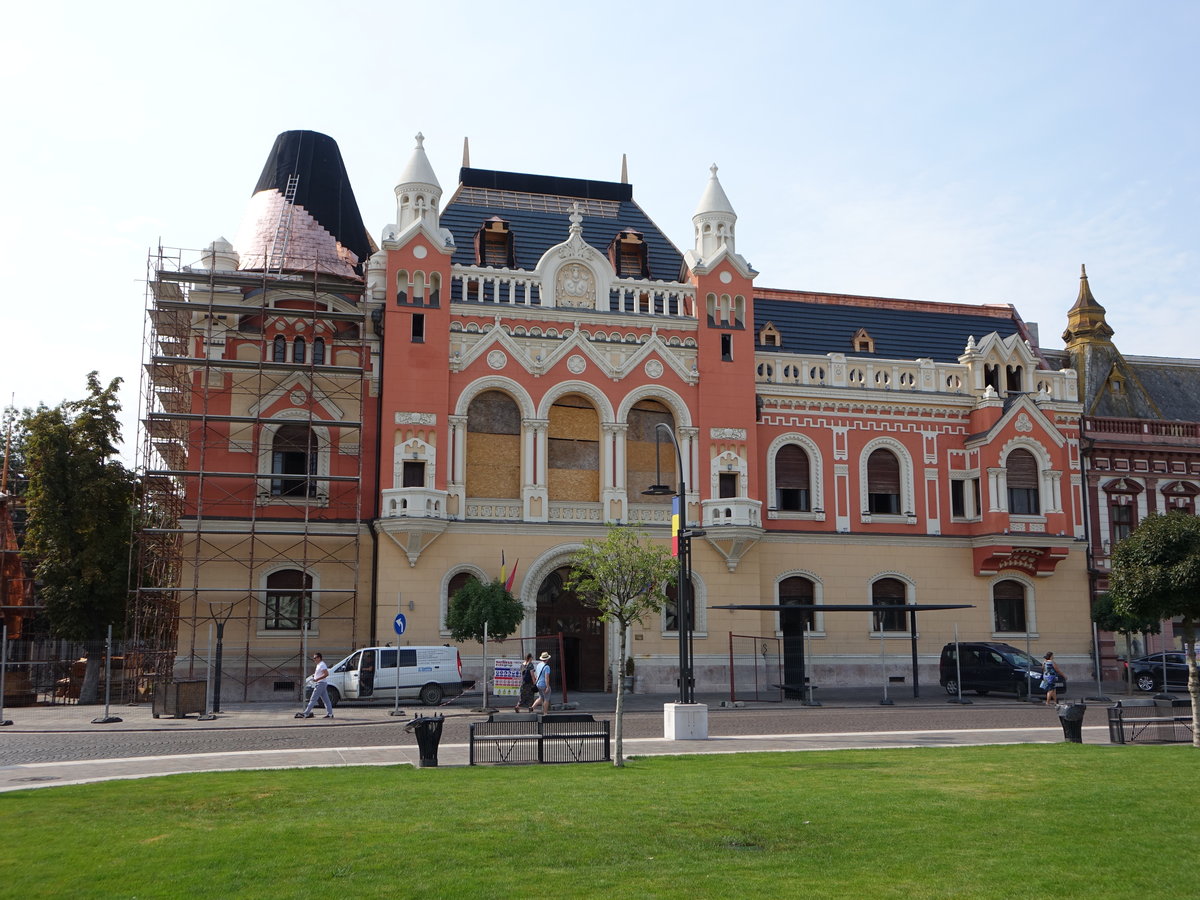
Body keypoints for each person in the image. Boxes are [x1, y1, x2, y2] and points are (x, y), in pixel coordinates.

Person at [297, 652, 334, 719]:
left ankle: (306, 713)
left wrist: (317, 679)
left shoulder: (322, 665)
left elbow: (326, 674)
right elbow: (320, 673)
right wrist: (314, 676)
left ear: (319, 658)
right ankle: (330, 714)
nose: (314, 659)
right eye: (313, 658)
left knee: (313, 699)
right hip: (322, 684)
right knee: (326, 700)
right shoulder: (319, 664)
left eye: (315, 658)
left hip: (320, 684)